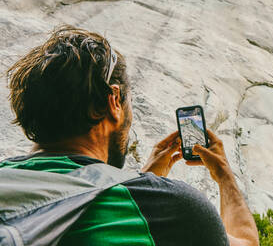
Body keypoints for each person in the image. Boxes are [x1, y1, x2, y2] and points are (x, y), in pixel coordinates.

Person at [1, 26, 259, 246]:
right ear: (113, 101)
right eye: (128, 104)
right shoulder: (174, 209)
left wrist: (142, 179)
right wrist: (224, 175)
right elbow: (246, 242)